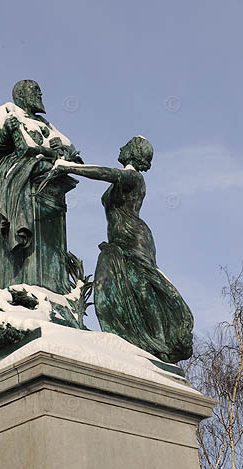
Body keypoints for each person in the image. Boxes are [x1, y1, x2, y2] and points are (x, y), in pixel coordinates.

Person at [55, 136, 193, 363]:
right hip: (119, 240)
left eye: (126, 145)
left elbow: (104, 173)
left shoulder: (133, 177)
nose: (120, 147)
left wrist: (69, 167)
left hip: (134, 237)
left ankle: (160, 341)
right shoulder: (126, 178)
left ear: (134, 153)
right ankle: (134, 336)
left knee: (143, 286)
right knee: (121, 283)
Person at [0, 80, 82, 288]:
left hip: (51, 183)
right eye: (36, 91)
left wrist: (60, 151)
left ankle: (53, 286)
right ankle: (25, 279)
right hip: (21, 176)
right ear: (22, 94)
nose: (40, 95)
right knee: (26, 177)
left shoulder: (47, 125)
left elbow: (73, 153)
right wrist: (7, 129)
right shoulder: (7, 113)